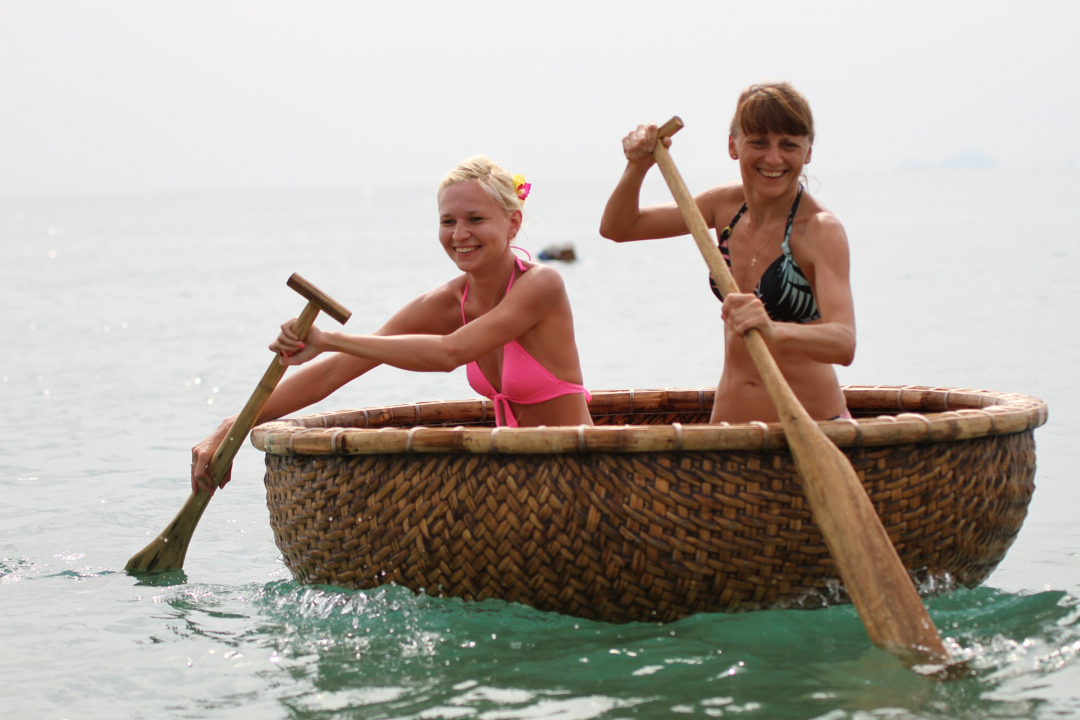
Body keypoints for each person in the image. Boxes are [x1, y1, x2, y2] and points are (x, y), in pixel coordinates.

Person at [191, 156, 592, 494]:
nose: (459, 234)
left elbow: (450, 353)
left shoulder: (541, 285)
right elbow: (332, 372)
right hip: (523, 483)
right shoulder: (445, 301)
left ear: (513, 223)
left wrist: (330, 338)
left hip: (583, 474)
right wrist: (233, 426)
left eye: (475, 219)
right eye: (447, 221)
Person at [599, 82, 855, 424]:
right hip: (730, 430)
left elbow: (843, 342)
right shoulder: (725, 206)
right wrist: (639, 165)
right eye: (759, 143)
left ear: (808, 152)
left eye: (789, 145)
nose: (774, 157)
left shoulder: (821, 230)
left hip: (813, 427)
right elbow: (619, 227)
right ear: (733, 146)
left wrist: (775, 329)